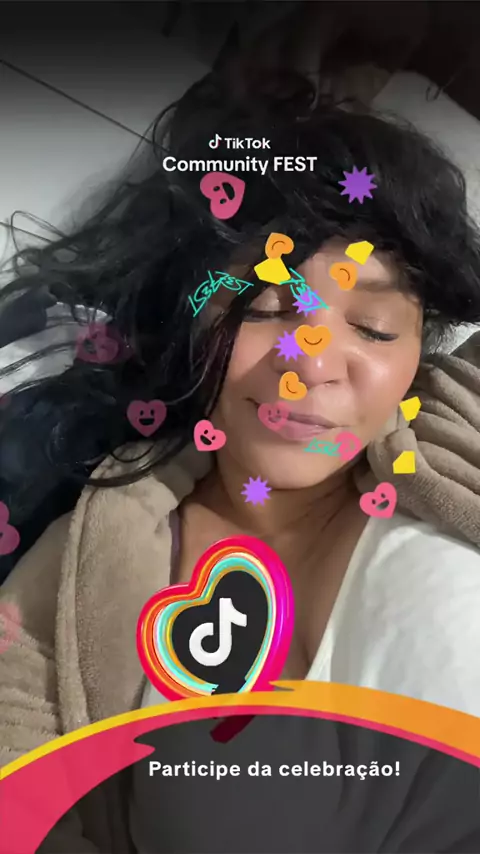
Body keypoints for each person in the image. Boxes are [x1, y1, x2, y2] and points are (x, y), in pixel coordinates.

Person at [1, 68, 480, 852]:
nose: (311, 365)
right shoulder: (88, 557)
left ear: (418, 358)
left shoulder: (457, 431)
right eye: (266, 305)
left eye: (374, 328)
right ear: (199, 317)